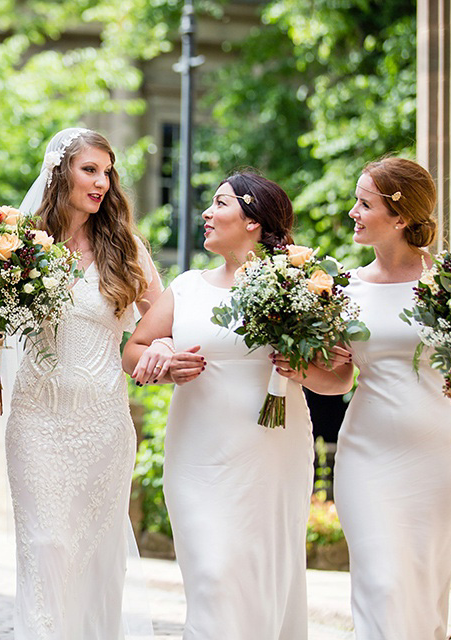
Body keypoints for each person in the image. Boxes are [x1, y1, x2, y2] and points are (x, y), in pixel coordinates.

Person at [293, 157, 451, 640]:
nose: (353, 212)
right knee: (381, 585)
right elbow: (339, 379)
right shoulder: (344, 289)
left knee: (425, 598)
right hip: (369, 456)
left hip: (443, 458)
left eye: (364, 204)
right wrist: (299, 368)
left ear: (401, 216)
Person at [123, 172, 330, 639]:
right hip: (197, 457)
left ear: (253, 218)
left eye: (220, 203)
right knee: (212, 576)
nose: (206, 214)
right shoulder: (189, 287)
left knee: (263, 575)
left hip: (271, 453)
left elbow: (335, 376)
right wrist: (163, 360)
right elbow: (132, 351)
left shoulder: (299, 286)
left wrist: (300, 370)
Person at [2, 128, 162, 638]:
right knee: (46, 544)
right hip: (36, 420)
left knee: (96, 555)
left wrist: (157, 347)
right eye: (89, 169)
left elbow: (161, 322)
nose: (102, 181)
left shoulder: (125, 248)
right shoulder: (16, 244)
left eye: (106, 171)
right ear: (59, 173)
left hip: (102, 424)